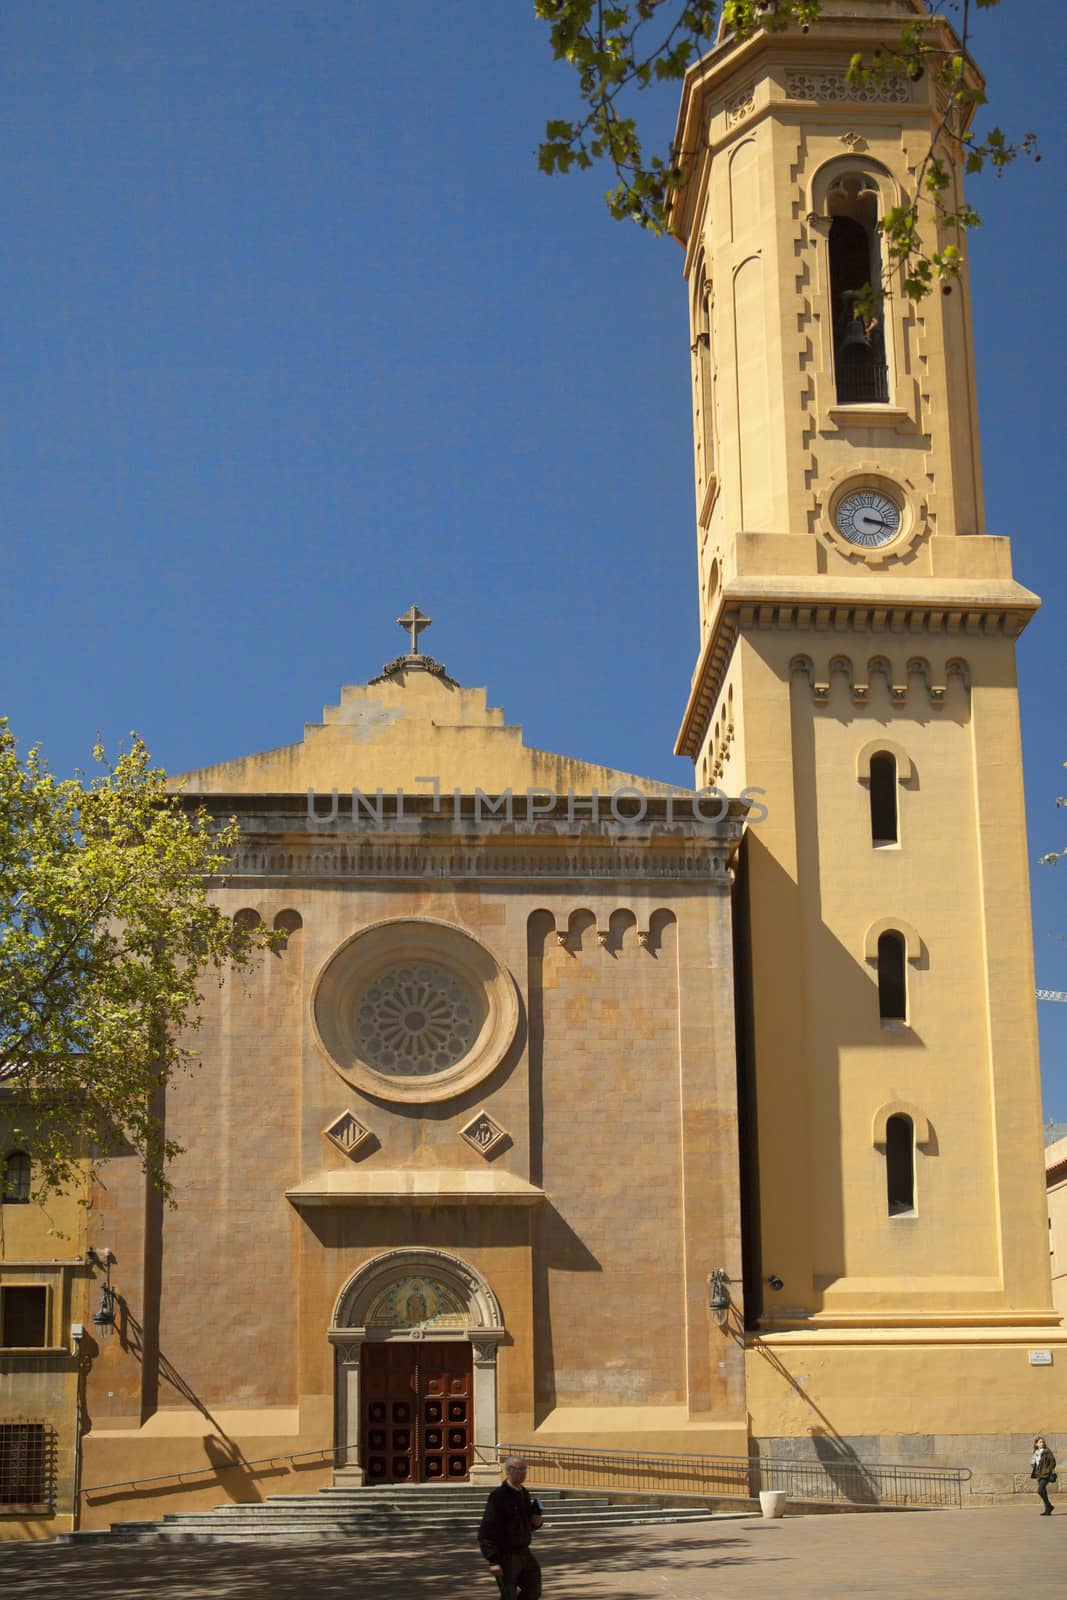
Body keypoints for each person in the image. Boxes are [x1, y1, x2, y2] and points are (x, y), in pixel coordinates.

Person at [478, 1454, 544, 1598]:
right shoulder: (499, 1495)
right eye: (519, 1469)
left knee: (534, 1590)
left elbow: (526, 1523)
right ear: (508, 1471)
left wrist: (536, 1522)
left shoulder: (524, 1493)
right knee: (509, 1595)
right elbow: (486, 1530)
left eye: (525, 1469)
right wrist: (493, 1560)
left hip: (524, 1552)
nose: (523, 1472)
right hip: (505, 1556)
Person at [1031, 1435, 1057, 1515]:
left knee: (1040, 1490)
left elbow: (1053, 1462)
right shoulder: (1035, 1453)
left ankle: (1049, 1506)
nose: (1042, 1443)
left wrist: (1048, 1470)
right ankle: (1047, 1510)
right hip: (1038, 1474)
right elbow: (1034, 1462)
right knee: (1043, 1492)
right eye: (1040, 1442)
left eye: (1042, 1442)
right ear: (1036, 1444)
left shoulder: (1047, 1451)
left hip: (1045, 1474)